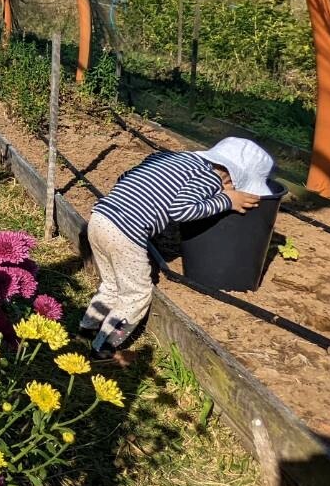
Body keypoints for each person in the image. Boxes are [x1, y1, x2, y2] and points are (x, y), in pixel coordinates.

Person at [83, 137, 274, 360]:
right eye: (236, 186)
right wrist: (227, 200)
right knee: (136, 293)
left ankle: (86, 329)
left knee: (112, 283)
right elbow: (181, 211)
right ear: (232, 175)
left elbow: (126, 177)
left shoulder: (167, 157)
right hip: (126, 232)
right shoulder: (210, 178)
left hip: (100, 217)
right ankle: (104, 347)